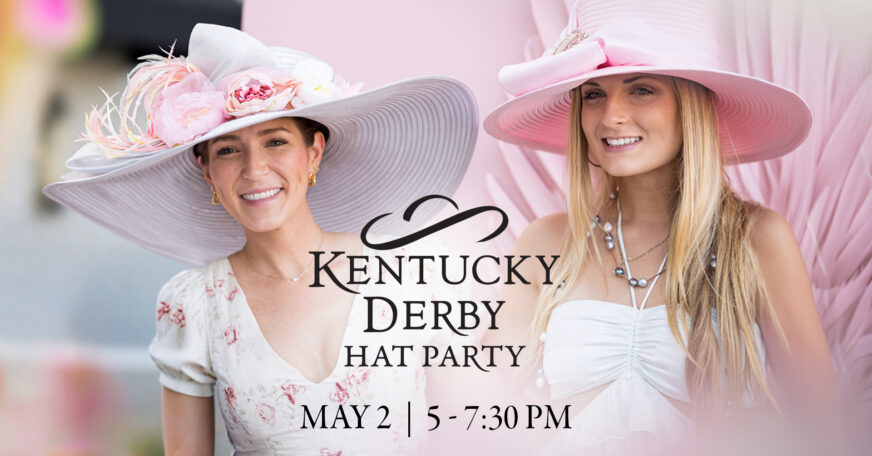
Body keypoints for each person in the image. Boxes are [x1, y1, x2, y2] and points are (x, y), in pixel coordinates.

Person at [44, 24, 478, 455]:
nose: (254, 170)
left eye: (275, 141)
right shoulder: (195, 304)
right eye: (229, 149)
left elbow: (479, 427)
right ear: (207, 170)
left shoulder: (407, 270)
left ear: (314, 152)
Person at [484, 0, 840, 453]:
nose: (611, 115)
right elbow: (479, 402)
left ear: (690, 104)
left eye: (641, 90)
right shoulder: (547, 242)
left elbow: (824, 431)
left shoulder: (757, 241)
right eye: (593, 94)